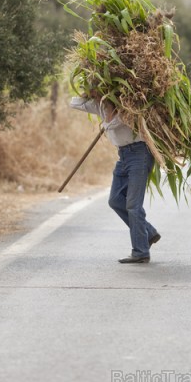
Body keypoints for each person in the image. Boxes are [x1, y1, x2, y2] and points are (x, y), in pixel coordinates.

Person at [70, 94, 161, 264]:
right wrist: (89, 95)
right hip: (123, 156)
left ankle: (140, 251)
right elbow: (74, 103)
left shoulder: (128, 105)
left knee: (133, 205)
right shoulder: (100, 105)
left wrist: (110, 109)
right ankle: (148, 232)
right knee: (115, 200)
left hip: (140, 154)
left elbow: (112, 123)